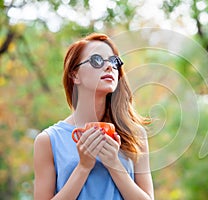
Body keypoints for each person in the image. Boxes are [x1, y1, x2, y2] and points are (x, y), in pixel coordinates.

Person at [33, 33, 154, 200]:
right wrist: (83, 166)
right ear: (74, 75)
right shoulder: (48, 140)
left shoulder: (134, 134)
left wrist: (114, 164)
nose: (109, 67)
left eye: (113, 62)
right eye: (96, 60)